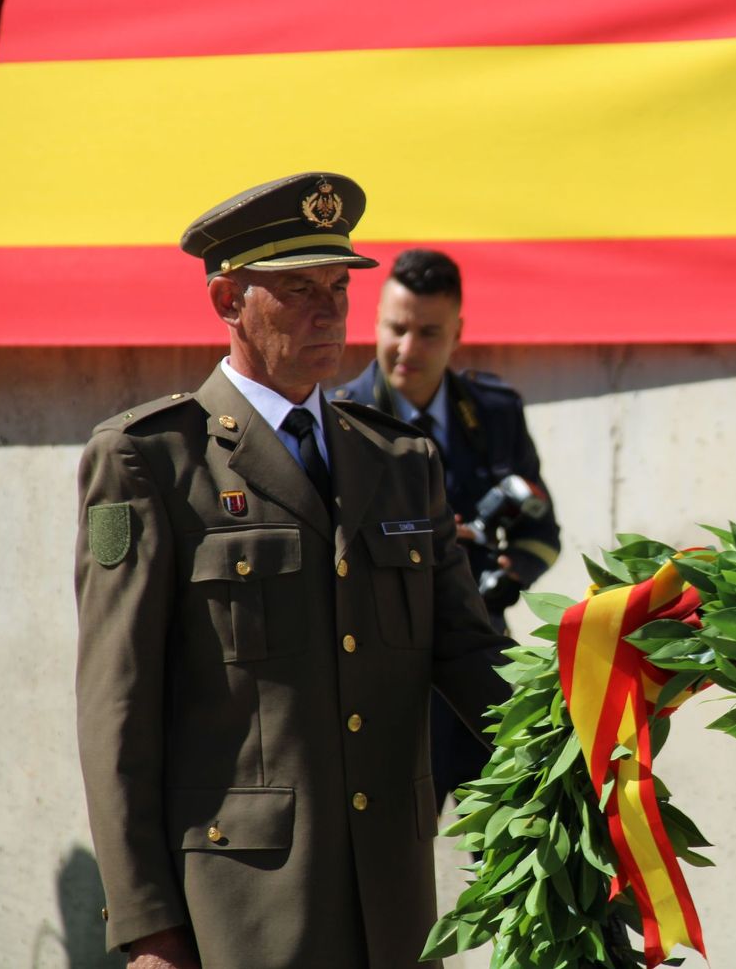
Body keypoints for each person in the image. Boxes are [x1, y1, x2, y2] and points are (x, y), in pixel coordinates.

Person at [74, 172, 512, 969]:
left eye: (338, 286)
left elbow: (472, 658)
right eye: (299, 288)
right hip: (243, 912)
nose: (331, 309)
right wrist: (148, 926)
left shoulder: (401, 459)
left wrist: (593, 735)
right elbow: (119, 708)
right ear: (227, 301)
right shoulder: (151, 461)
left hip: (395, 911)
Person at [334, 248, 560, 814]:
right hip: (388, 680)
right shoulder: (336, 420)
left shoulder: (495, 411)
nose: (407, 349)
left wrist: (506, 579)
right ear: (376, 321)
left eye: (429, 332)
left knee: (514, 843)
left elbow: (542, 529)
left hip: (482, 659)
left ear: (458, 332)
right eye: (397, 328)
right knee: (393, 854)